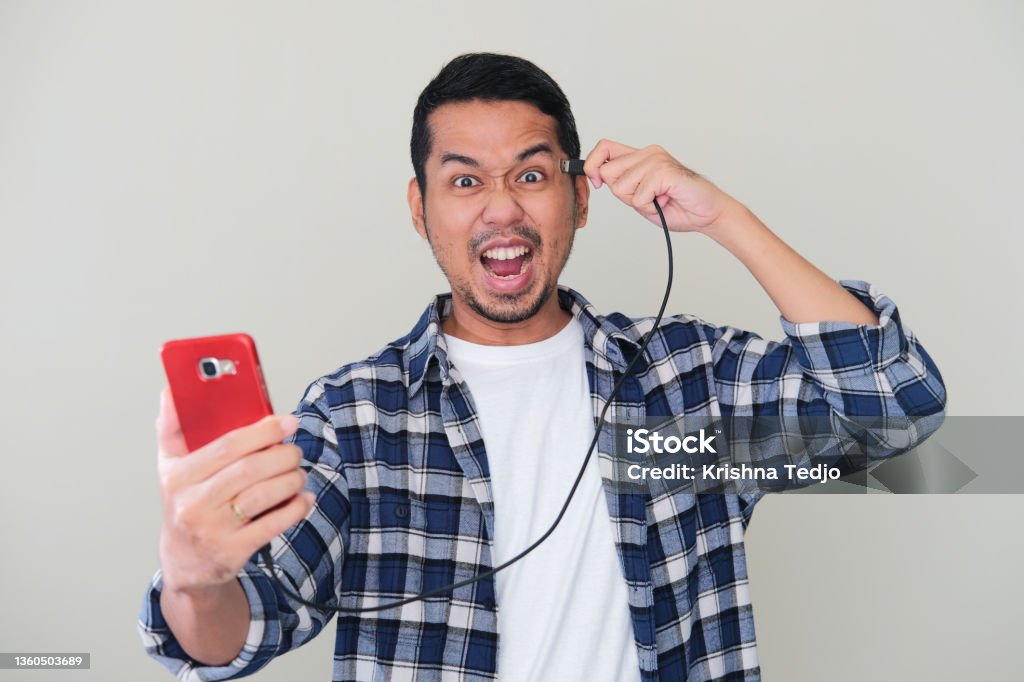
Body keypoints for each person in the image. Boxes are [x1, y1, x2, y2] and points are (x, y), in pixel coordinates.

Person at [139, 53, 946, 681]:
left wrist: (727, 218)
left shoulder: (689, 379)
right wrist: (193, 578)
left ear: (580, 199)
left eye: (531, 174)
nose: (501, 207)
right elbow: (238, 636)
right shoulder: (353, 416)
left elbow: (895, 409)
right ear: (420, 208)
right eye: (464, 181)